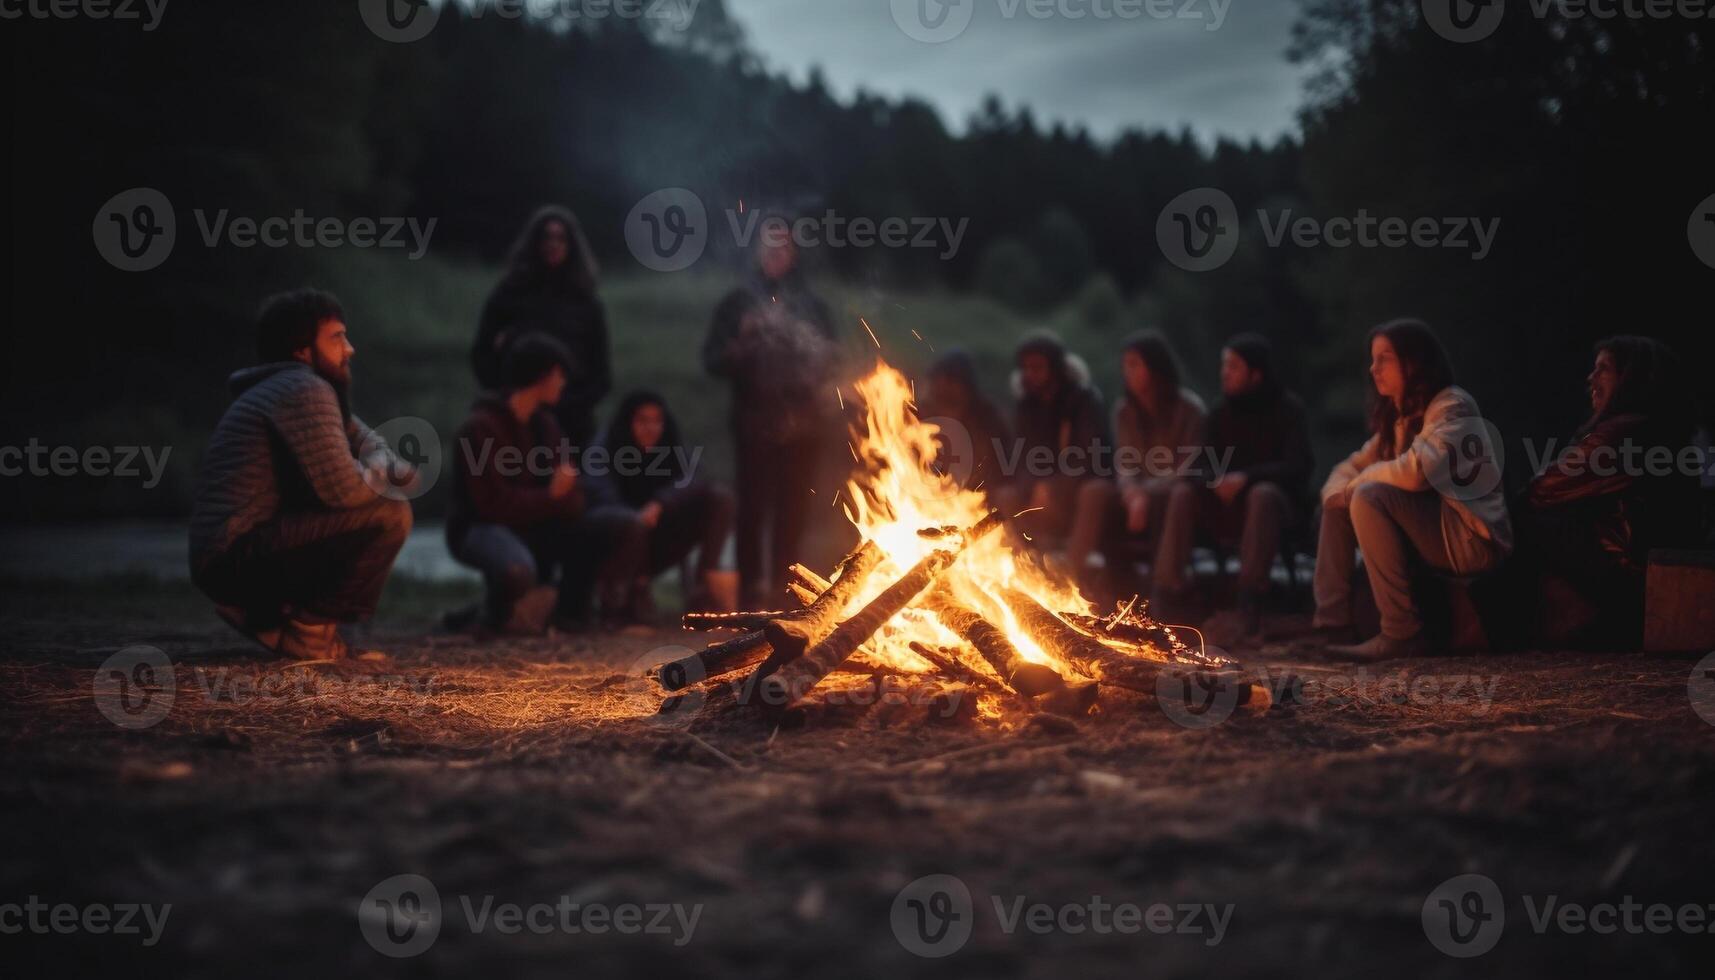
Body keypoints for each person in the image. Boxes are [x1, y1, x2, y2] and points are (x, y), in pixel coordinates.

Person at [189, 289, 414, 661]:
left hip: (232, 555)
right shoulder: (304, 388)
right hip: (232, 557)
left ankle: (271, 618)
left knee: (377, 503)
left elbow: (366, 439)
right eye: (337, 337)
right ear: (302, 351)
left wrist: (382, 466)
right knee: (389, 514)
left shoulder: (293, 387)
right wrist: (384, 475)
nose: (350, 348)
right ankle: (308, 635)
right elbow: (344, 492)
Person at [1484, 336, 1701, 648]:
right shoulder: (1663, 430)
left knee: (1526, 516)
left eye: (1604, 369)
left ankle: (1497, 623)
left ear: (1631, 379)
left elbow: (1541, 490)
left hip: (1624, 576)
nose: (1591, 378)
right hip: (1639, 573)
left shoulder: (1623, 432)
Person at [1315, 319, 1512, 659]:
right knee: (1343, 501)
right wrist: (1338, 493)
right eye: (1373, 359)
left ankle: (1401, 632)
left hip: (1467, 539)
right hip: (1435, 534)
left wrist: (1355, 486)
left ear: (1415, 361)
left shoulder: (1452, 406)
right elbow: (1349, 467)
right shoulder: (1400, 417)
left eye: (1385, 358)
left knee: (1366, 495)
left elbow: (1418, 471)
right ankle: (1333, 625)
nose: (1374, 368)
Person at [446, 335, 635, 633]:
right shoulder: (481, 427)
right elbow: (491, 506)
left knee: (610, 525)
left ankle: (567, 612)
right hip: (480, 527)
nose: (562, 383)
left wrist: (562, 495)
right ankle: (490, 616)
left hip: (535, 523)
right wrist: (550, 496)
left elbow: (574, 499)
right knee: (517, 570)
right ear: (541, 376)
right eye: (559, 375)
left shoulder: (546, 424)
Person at [702, 233, 840, 607]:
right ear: (758, 252)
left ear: (794, 254)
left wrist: (816, 377)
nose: (776, 254)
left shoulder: (812, 306)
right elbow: (713, 361)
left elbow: (832, 359)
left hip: (804, 424)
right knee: (751, 507)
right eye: (769, 246)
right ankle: (749, 593)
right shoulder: (738, 304)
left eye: (783, 247)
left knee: (793, 509)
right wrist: (741, 343)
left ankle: (786, 589)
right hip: (753, 422)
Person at [1154, 334, 1313, 641]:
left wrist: (1247, 478)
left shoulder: (1288, 409)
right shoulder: (1220, 413)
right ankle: (1166, 595)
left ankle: (1249, 601)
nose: (1225, 372)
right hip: (1224, 509)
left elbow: (1299, 466)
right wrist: (1215, 481)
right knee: (1183, 493)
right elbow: (1198, 464)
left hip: (1274, 509)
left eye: (1234, 366)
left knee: (1261, 494)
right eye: (1224, 365)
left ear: (1255, 374)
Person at [1071, 331, 1207, 596]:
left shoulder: (1190, 410)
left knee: (1171, 500)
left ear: (1155, 368)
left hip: (1173, 493)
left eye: (1134, 364)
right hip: (1135, 495)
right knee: (1096, 492)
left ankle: (1163, 591)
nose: (1127, 372)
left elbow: (1187, 468)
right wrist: (1132, 493)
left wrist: (1144, 494)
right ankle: (1078, 582)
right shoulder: (1124, 411)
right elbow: (1125, 461)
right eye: (1125, 366)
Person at [472, 205, 611, 456]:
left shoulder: (586, 303)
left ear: (572, 245)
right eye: (546, 237)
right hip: (515, 415)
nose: (553, 244)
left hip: (571, 419)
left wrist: (565, 405)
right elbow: (481, 355)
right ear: (534, 242)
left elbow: (601, 375)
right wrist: (509, 400)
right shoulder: (509, 294)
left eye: (561, 238)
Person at [585, 391, 735, 623]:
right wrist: (636, 517)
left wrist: (661, 502)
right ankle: (622, 600)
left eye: (657, 421)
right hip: (615, 542)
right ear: (628, 422)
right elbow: (600, 496)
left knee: (720, 498)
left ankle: (705, 587)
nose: (651, 428)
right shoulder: (606, 447)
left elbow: (694, 477)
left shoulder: (669, 444)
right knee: (633, 523)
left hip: (661, 536)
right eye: (642, 420)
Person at [993, 330, 1110, 559]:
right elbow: (1020, 456)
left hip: (1081, 481)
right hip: (1039, 487)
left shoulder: (1083, 400)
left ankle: (1073, 572)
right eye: (1026, 368)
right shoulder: (1028, 404)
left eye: (1037, 367)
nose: (1031, 373)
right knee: (1006, 495)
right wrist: (1034, 484)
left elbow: (1089, 456)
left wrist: (1052, 485)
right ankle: (1027, 567)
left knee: (1093, 491)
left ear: (1055, 368)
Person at [921, 349, 1012, 498]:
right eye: (939, 380)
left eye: (951, 380)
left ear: (966, 385)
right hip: (928, 494)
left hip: (978, 497)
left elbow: (1002, 467)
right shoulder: (921, 417)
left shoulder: (987, 419)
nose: (944, 387)